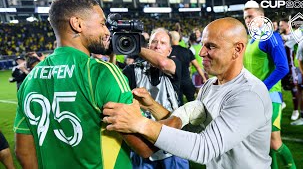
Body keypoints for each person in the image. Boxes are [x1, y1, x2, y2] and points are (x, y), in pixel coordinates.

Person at [103, 17, 273, 168]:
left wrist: (140, 124)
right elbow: (188, 133)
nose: (201, 52)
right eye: (203, 45)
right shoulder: (211, 85)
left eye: (211, 46)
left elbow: (204, 148)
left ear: (237, 49)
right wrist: (152, 106)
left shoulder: (249, 94)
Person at [13, 0, 154, 169]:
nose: (106, 32)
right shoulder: (102, 72)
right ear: (77, 24)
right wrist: (177, 119)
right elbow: (145, 148)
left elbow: (23, 152)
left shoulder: (30, 79)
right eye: (102, 24)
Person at [122, 28, 188, 168]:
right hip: (144, 143)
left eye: (163, 43)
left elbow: (163, 64)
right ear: (148, 47)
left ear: (169, 51)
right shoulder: (132, 70)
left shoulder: (175, 64)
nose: (158, 45)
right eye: (154, 42)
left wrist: (133, 45)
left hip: (172, 146)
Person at [243, 7, 296, 169]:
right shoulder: (250, 39)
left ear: (262, 18)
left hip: (270, 97)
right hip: (253, 97)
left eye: (251, 16)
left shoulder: (272, 37)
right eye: (245, 17)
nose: (247, 20)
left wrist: (261, 87)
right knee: (263, 143)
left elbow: (283, 68)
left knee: (274, 142)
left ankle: (292, 167)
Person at [279, 18, 303, 121]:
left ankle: (297, 111)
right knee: (278, 86)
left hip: (293, 67)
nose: (280, 27)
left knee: (296, 89)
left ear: (287, 25)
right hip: (280, 66)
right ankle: (282, 103)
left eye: (281, 25)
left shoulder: (294, 35)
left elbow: (289, 41)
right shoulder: (281, 36)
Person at [169, 31, 207, 104]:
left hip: (175, 83)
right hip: (187, 81)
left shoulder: (168, 51)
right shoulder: (187, 50)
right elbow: (197, 66)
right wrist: (204, 78)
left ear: (170, 39)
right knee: (192, 102)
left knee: (178, 104)